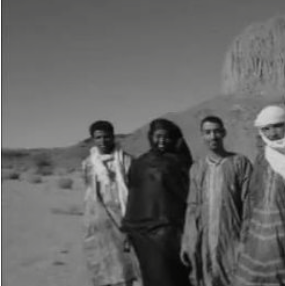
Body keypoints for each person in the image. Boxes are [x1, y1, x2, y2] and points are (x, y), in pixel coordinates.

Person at [234, 106, 285, 286]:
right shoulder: (262, 159)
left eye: (277, 126)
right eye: (266, 128)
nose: (273, 133)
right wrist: (243, 240)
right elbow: (252, 201)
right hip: (257, 244)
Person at [181, 116, 253, 286]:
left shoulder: (239, 163)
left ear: (223, 133)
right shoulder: (197, 168)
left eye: (216, 131)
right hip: (206, 242)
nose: (213, 136)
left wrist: (246, 241)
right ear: (202, 136)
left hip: (233, 241)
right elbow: (192, 208)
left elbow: (250, 205)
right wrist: (188, 241)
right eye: (208, 132)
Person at [122, 118, 193, 286]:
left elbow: (188, 196)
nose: (162, 141)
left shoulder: (181, 162)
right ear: (150, 137)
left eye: (166, 137)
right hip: (142, 234)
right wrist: (128, 227)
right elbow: (133, 195)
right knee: (152, 275)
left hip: (171, 231)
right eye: (158, 136)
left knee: (175, 275)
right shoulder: (140, 164)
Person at [82, 120, 138, 286]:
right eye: (98, 137)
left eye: (106, 137)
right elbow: (89, 191)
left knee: (126, 265)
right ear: (93, 139)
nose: (103, 141)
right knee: (103, 263)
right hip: (99, 221)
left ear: (113, 137)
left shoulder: (127, 161)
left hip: (124, 218)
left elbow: (134, 190)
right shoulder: (88, 163)